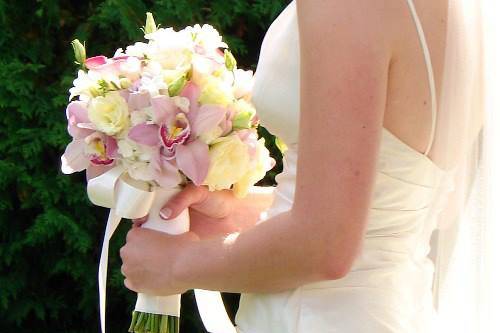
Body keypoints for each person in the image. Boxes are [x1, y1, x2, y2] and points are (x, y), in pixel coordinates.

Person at [120, 0, 497, 331]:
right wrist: (235, 212)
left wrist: (175, 265)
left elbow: (326, 246)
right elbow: (386, 214)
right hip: (395, 309)